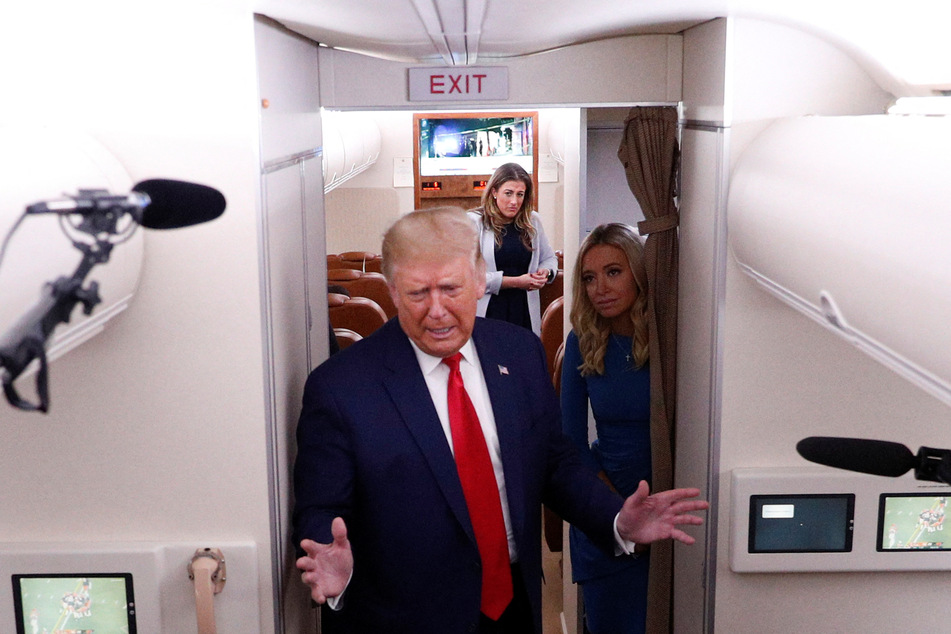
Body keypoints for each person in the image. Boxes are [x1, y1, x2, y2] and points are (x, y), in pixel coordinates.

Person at [292, 207, 707, 633]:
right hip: (405, 617)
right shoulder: (341, 387)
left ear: (478, 279)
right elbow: (322, 508)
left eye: (451, 288)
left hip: (514, 607)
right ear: (394, 290)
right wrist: (331, 561)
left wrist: (617, 518)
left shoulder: (520, 352)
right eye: (418, 293)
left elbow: (554, 465)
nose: (437, 310)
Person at [561, 222, 655, 634]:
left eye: (613, 272)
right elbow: (569, 442)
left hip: (670, 500)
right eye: (589, 277)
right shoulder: (582, 340)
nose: (600, 287)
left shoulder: (669, 339)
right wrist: (615, 510)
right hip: (608, 509)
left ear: (637, 272)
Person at [468, 162, 558, 336]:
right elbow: (469, 277)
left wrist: (545, 272)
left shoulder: (532, 221)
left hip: (524, 311)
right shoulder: (474, 222)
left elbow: (549, 258)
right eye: (508, 193)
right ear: (494, 192)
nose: (514, 201)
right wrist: (516, 282)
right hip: (489, 310)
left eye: (520, 195)